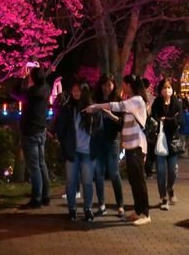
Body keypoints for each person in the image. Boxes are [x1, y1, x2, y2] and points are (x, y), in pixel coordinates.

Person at [85, 73, 152, 225]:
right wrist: (110, 115)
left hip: (137, 146)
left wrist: (96, 106)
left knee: (139, 180)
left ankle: (146, 214)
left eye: (124, 84)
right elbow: (123, 123)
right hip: (130, 146)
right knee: (134, 181)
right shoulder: (133, 101)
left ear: (129, 85)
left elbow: (116, 105)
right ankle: (138, 210)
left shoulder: (137, 100)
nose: (122, 87)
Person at [53, 78, 97, 222]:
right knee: (71, 181)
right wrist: (65, 143)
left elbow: (98, 128)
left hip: (88, 151)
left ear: (85, 91)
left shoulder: (92, 109)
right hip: (73, 150)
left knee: (87, 182)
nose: (76, 93)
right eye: (74, 90)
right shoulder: (68, 108)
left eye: (79, 90)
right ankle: (72, 209)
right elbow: (60, 128)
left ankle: (88, 209)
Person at [90, 74, 124, 218]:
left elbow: (122, 123)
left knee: (114, 173)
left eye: (109, 85)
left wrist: (111, 115)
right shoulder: (96, 100)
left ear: (114, 85)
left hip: (112, 140)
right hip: (98, 140)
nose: (106, 88)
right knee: (98, 173)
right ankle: (102, 204)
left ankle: (120, 206)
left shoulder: (118, 102)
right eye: (104, 85)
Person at [18, 66, 52, 210]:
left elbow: (16, 92)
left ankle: (36, 198)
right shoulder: (46, 89)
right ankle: (46, 195)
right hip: (41, 130)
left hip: (30, 131)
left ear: (32, 78)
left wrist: (23, 78)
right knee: (41, 163)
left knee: (34, 166)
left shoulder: (31, 93)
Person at [150, 77, 182, 210]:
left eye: (169, 87)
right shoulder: (157, 103)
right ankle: (163, 197)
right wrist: (169, 120)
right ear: (160, 90)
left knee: (172, 170)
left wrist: (166, 120)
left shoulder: (177, 102)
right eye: (164, 87)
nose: (167, 90)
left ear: (173, 89)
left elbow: (178, 121)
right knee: (161, 171)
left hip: (173, 141)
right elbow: (154, 119)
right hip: (160, 141)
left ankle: (170, 189)